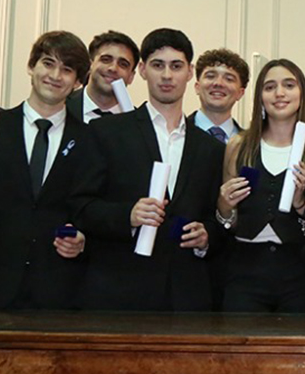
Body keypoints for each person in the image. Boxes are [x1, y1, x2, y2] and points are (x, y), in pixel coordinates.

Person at [70, 28, 224, 311]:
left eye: (176, 66)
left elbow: (215, 217)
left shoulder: (210, 148)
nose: (166, 75)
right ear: (142, 70)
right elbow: (81, 206)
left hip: (185, 296)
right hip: (120, 290)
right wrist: (127, 215)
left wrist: (206, 237)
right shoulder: (107, 132)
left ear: (190, 73)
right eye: (157, 65)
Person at [0, 31, 91, 309]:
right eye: (48, 63)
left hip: (57, 290)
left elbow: (91, 208)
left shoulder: (89, 140)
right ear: (31, 66)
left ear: (77, 82)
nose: (55, 75)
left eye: (67, 69)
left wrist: (83, 240)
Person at [216, 58, 305, 312]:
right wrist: (224, 207)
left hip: (300, 274)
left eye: (289, 85)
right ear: (260, 97)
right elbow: (229, 222)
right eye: (270, 87)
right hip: (244, 270)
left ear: (302, 93)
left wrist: (301, 203)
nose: (279, 93)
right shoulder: (239, 146)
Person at [66, 30, 139, 123]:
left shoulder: (139, 123)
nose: (113, 68)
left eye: (123, 64)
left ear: (131, 77)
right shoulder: (61, 107)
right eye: (106, 60)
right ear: (90, 64)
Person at [192, 48, 248, 143]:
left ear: (240, 93)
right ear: (197, 87)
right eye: (210, 76)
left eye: (229, 79)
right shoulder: (177, 134)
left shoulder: (251, 145)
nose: (219, 83)